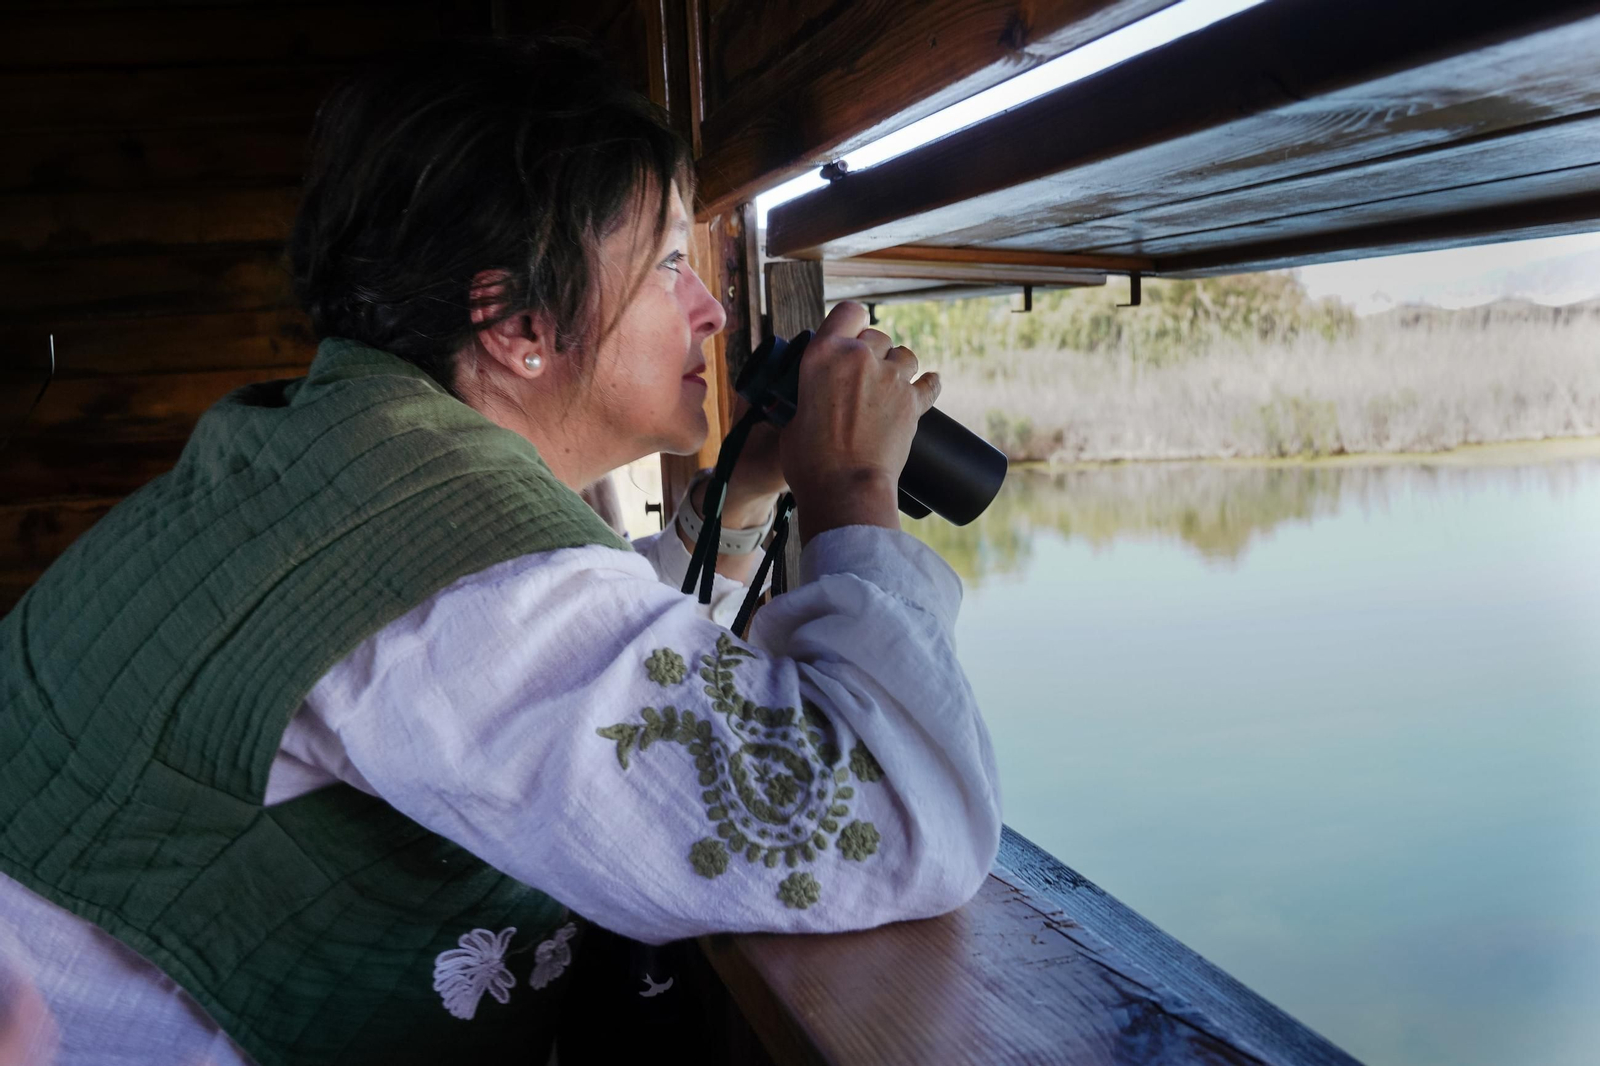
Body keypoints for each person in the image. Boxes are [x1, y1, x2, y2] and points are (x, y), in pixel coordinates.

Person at [0, 35, 1001, 1066]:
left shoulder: (348, 462)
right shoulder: (442, 559)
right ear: (519, 323)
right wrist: (854, 488)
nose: (707, 309)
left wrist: (741, 497)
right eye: (667, 265)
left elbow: (596, 672)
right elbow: (900, 819)